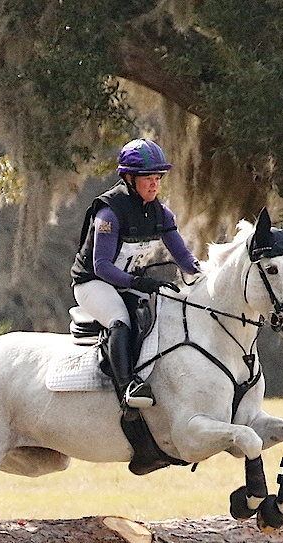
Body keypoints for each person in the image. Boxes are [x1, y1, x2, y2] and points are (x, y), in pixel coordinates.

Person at [71, 138, 200, 409]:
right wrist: (138, 282)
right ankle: (128, 385)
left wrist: (201, 273)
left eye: (157, 177)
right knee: (121, 319)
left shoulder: (160, 213)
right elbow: (102, 266)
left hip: (126, 282)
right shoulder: (109, 213)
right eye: (147, 178)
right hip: (93, 283)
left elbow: (183, 257)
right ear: (129, 178)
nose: (154, 184)